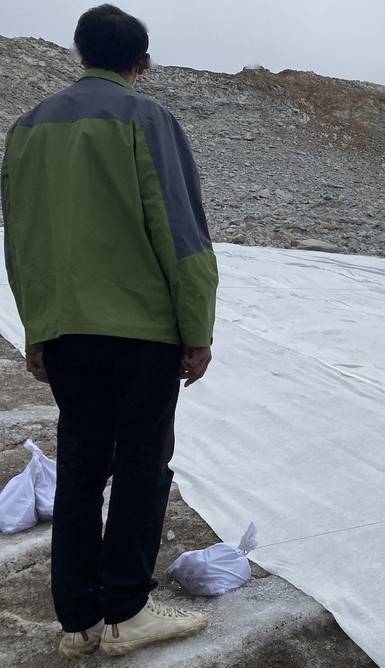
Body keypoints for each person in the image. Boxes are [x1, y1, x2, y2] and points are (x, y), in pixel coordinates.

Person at [1, 4, 218, 658]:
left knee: (82, 466)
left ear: (80, 54)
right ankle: (126, 609)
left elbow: (23, 241)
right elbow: (181, 234)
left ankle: (78, 623)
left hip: (66, 331)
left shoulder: (27, 129)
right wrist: (197, 330)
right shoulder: (147, 119)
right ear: (140, 63)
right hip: (141, 332)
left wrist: (38, 330)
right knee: (144, 466)